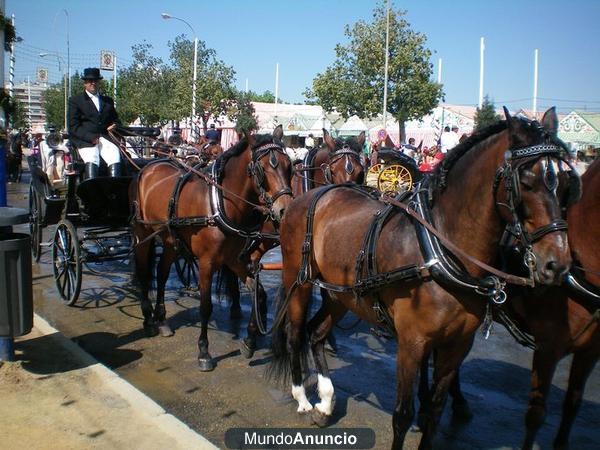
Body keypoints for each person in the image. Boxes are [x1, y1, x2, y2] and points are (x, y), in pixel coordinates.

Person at [68, 67, 122, 179]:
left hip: (104, 139)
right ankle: (91, 192)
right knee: (92, 157)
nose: (93, 83)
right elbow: (73, 126)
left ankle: (114, 188)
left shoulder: (108, 101)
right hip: (85, 141)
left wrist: (115, 125)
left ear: (99, 82)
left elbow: (116, 120)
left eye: (95, 81)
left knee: (115, 155)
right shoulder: (76, 101)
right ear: (85, 83)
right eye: (90, 81)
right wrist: (90, 137)